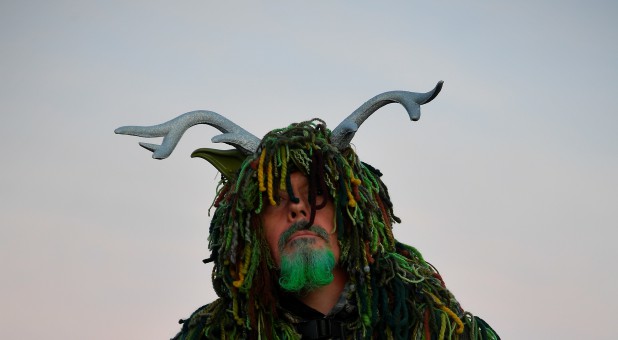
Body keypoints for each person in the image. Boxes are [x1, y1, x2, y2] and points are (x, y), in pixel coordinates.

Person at [116, 82, 499, 339]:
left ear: (354, 214)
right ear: (247, 232)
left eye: (316, 194)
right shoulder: (212, 334)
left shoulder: (430, 323)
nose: (297, 208)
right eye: (273, 199)